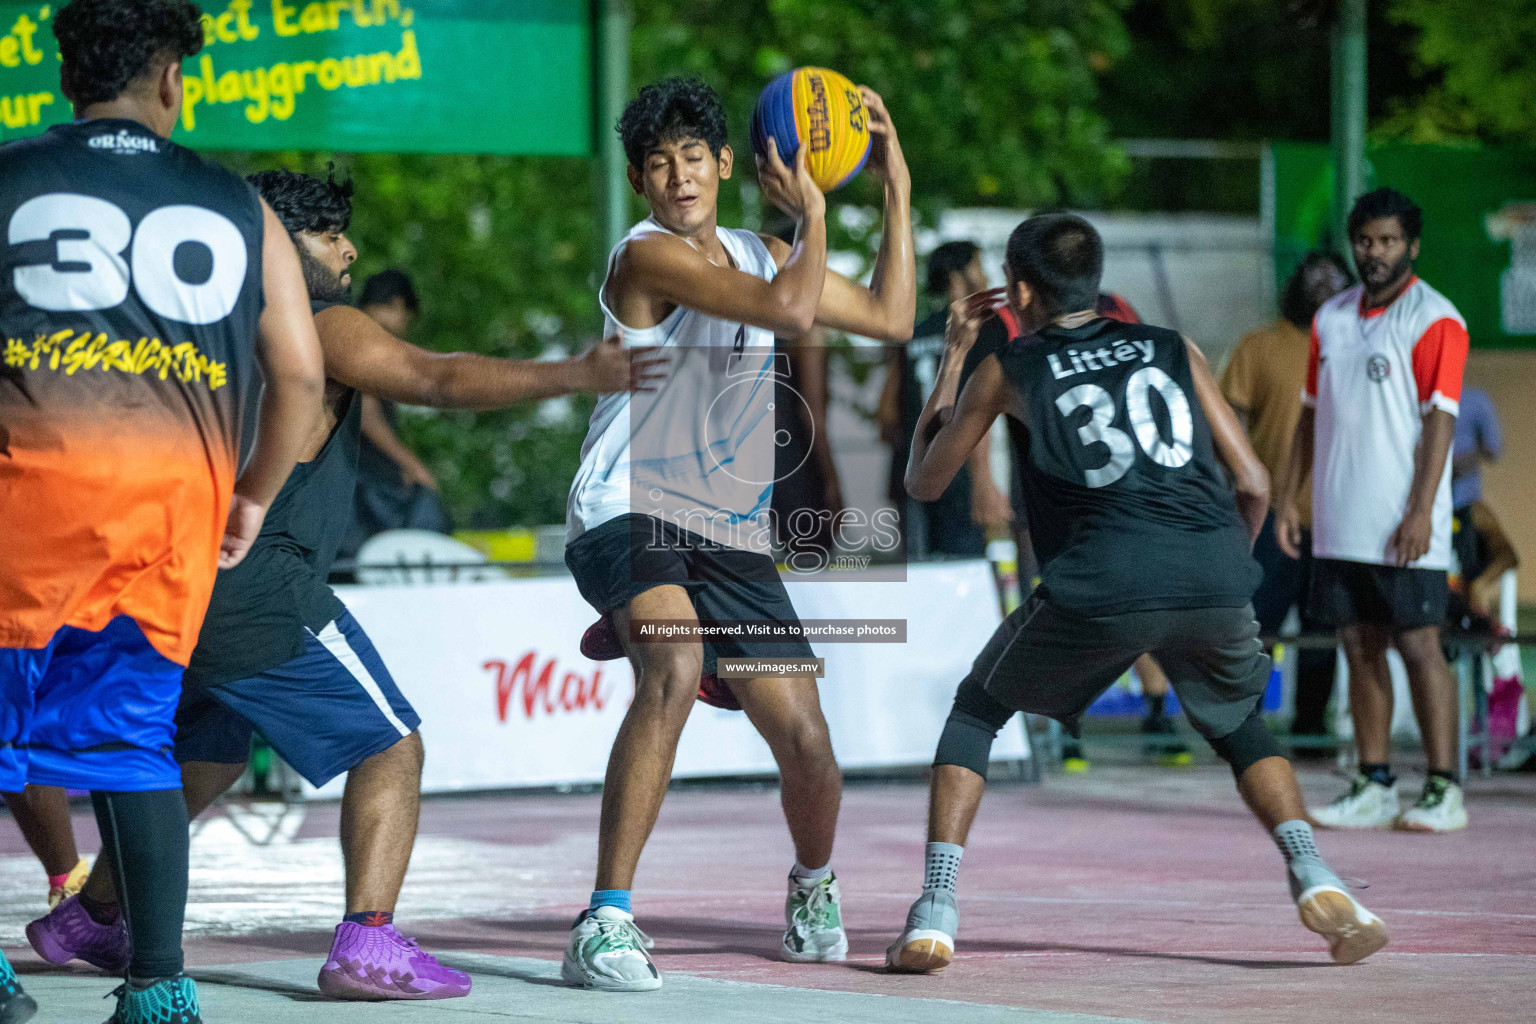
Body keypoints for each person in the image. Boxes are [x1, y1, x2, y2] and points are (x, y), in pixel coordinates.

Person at [23, 168, 654, 1002]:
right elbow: (437, 379)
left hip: (176, 581)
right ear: (280, 246)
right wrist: (576, 375)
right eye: (328, 233)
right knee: (391, 744)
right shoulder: (321, 323)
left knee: (202, 758)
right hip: (265, 588)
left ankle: (92, 916)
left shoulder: (196, 325)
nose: (350, 247)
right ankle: (368, 942)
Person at [884, 212, 1387, 974]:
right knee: (1242, 726)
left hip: (1103, 579)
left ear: (1019, 289)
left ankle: (935, 907)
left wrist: (956, 355)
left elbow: (925, 480)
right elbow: (1252, 480)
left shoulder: (1011, 365)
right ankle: (1316, 871)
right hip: (1211, 569)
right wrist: (1218, 566)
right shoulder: (1172, 345)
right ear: (1095, 276)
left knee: (978, 710)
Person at [0, 1, 327, 1020]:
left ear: (63, 79)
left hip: (23, 507)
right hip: (166, 518)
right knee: (134, 743)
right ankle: (158, 986)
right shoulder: (238, 206)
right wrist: (254, 498)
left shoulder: (8, 174)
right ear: (173, 78)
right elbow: (303, 379)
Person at [560, 76, 915, 991]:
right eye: (657, 163)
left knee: (808, 739)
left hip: (726, 526)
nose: (676, 175)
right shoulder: (644, 258)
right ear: (641, 181)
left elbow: (891, 317)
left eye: (692, 156)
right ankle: (604, 920)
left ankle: (812, 888)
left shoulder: (761, 251)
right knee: (673, 668)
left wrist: (896, 190)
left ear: (725, 163)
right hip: (627, 505)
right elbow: (794, 314)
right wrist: (818, 216)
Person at [1276, 188, 1470, 833]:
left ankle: (1444, 789)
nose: (1374, 253)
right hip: (1338, 520)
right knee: (1358, 646)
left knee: (1419, 646)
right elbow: (1307, 416)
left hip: (1403, 527)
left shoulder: (1435, 318)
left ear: (1411, 247)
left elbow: (1440, 423)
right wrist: (1286, 498)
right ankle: (1375, 780)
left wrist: (1421, 512)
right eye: (1365, 241)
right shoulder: (1330, 319)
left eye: (1388, 242)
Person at [1223, 251, 1354, 755]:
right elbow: (1227, 424)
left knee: (1324, 632)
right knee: (1258, 626)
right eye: (1313, 274)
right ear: (1295, 283)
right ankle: (1245, 729)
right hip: (1269, 515)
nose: (1323, 284)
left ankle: (1312, 733)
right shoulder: (1259, 346)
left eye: (1334, 277)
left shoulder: (1353, 345)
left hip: (1337, 517)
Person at [878, 241, 1011, 559]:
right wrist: (982, 481)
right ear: (956, 276)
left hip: (910, 467)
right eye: (978, 266)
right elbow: (978, 408)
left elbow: (884, 412)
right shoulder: (984, 328)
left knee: (919, 576)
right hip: (957, 470)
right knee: (964, 574)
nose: (984, 276)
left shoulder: (914, 330)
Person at [339, 270, 453, 562]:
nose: (404, 328)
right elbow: (367, 413)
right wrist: (411, 464)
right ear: (397, 304)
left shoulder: (340, 329)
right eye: (407, 318)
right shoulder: (367, 337)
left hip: (344, 478)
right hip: (362, 483)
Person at [1452, 385, 1501, 513]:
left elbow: (1493, 449)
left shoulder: (1475, 401)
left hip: (1463, 501)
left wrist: (1460, 463)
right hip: (1419, 502)